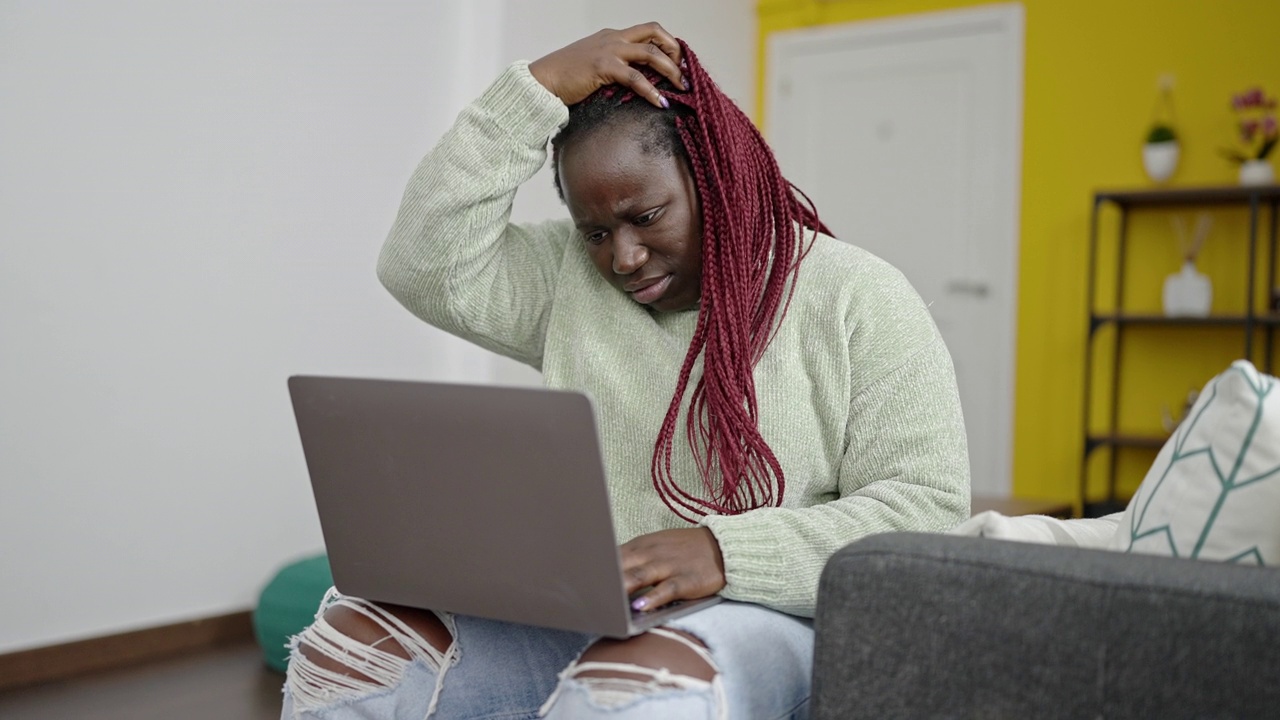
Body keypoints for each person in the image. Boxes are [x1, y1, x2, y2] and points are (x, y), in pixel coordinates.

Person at [281, 22, 969, 720]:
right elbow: (424, 265)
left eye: (647, 216)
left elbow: (926, 514)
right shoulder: (570, 281)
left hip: (765, 617)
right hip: (592, 611)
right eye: (597, 232)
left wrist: (724, 552)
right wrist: (536, 90)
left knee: (628, 688)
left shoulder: (857, 294)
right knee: (349, 651)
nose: (625, 258)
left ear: (715, 179)